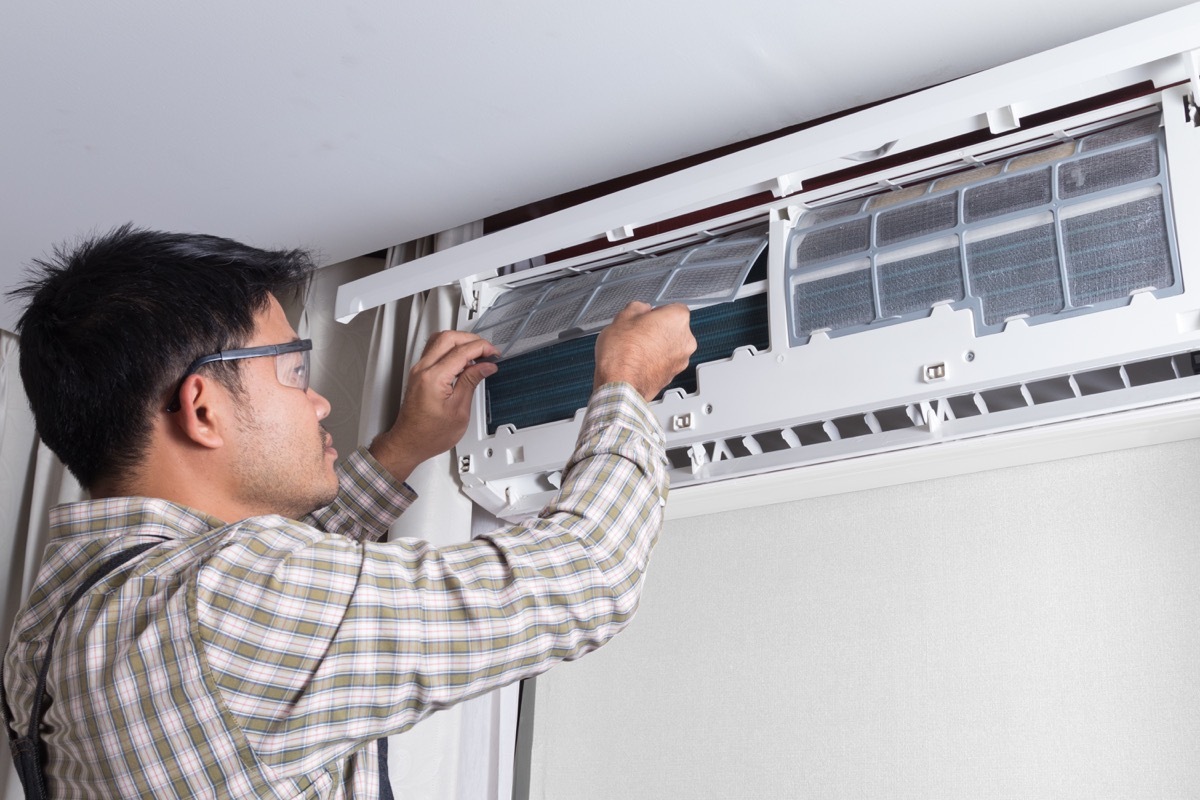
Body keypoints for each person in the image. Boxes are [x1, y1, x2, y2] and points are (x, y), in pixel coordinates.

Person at [1, 224, 695, 798]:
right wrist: (626, 386)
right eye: (293, 371)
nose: (319, 401)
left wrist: (400, 451)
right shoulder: (228, 607)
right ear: (203, 409)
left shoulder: (56, 621)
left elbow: (260, 641)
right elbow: (586, 576)